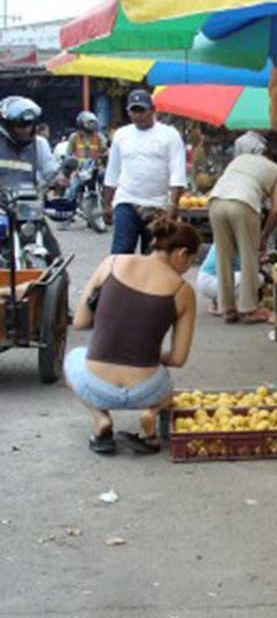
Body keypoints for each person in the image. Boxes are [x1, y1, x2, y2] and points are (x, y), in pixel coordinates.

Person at [65, 218, 199, 455]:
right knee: (167, 385)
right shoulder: (183, 291)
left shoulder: (112, 263)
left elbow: (80, 322)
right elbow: (178, 359)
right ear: (181, 253)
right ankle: (150, 414)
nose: (188, 267)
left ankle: (100, 419)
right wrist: (148, 352)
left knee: (73, 358)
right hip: (146, 391)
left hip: (97, 388)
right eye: (191, 261)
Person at [208, 131, 277, 324]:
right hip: (244, 203)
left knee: (223, 255)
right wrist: (263, 238)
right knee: (249, 255)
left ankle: (227, 308)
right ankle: (249, 309)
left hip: (216, 201)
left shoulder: (240, 160)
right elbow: (275, 211)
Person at [103, 89, 187, 254]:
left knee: (154, 255)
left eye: (142, 110)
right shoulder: (121, 135)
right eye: (134, 111)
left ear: (152, 110)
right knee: (121, 253)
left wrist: (173, 206)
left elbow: (177, 173)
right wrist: (107, 203)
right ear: (128, 112)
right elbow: (112, 171)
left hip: (157, 205)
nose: (138, 115)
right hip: (127, 201)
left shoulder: (169, 135)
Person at [0, 96, 62, 254]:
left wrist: (59, 178)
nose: (25, 129)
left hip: (26, 207)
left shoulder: (39, 144)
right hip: (1, 207)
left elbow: (50, 170)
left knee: (55, 259)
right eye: (20, 125)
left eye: (29, 124)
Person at [63, 111, 108, 202]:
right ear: (81, 123)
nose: (92, 125)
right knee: (72, 188)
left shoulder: (99, 137)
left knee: (105, 180)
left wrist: (102, 158)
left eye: (93, 122)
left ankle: (106, 203)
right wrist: (71, 163)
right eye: (89, 122)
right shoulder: (74, 137)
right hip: (79, 170)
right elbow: (68, 154)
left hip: (95, 169)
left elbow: (106, 151)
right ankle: (68, 206)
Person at [196, 243, 241, 316]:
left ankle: (217, 302)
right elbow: (247, 265)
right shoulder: (235, 244)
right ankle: (224, 304)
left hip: (203, 279)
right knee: (256, 277)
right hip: (212, 281)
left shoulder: (220, 240)